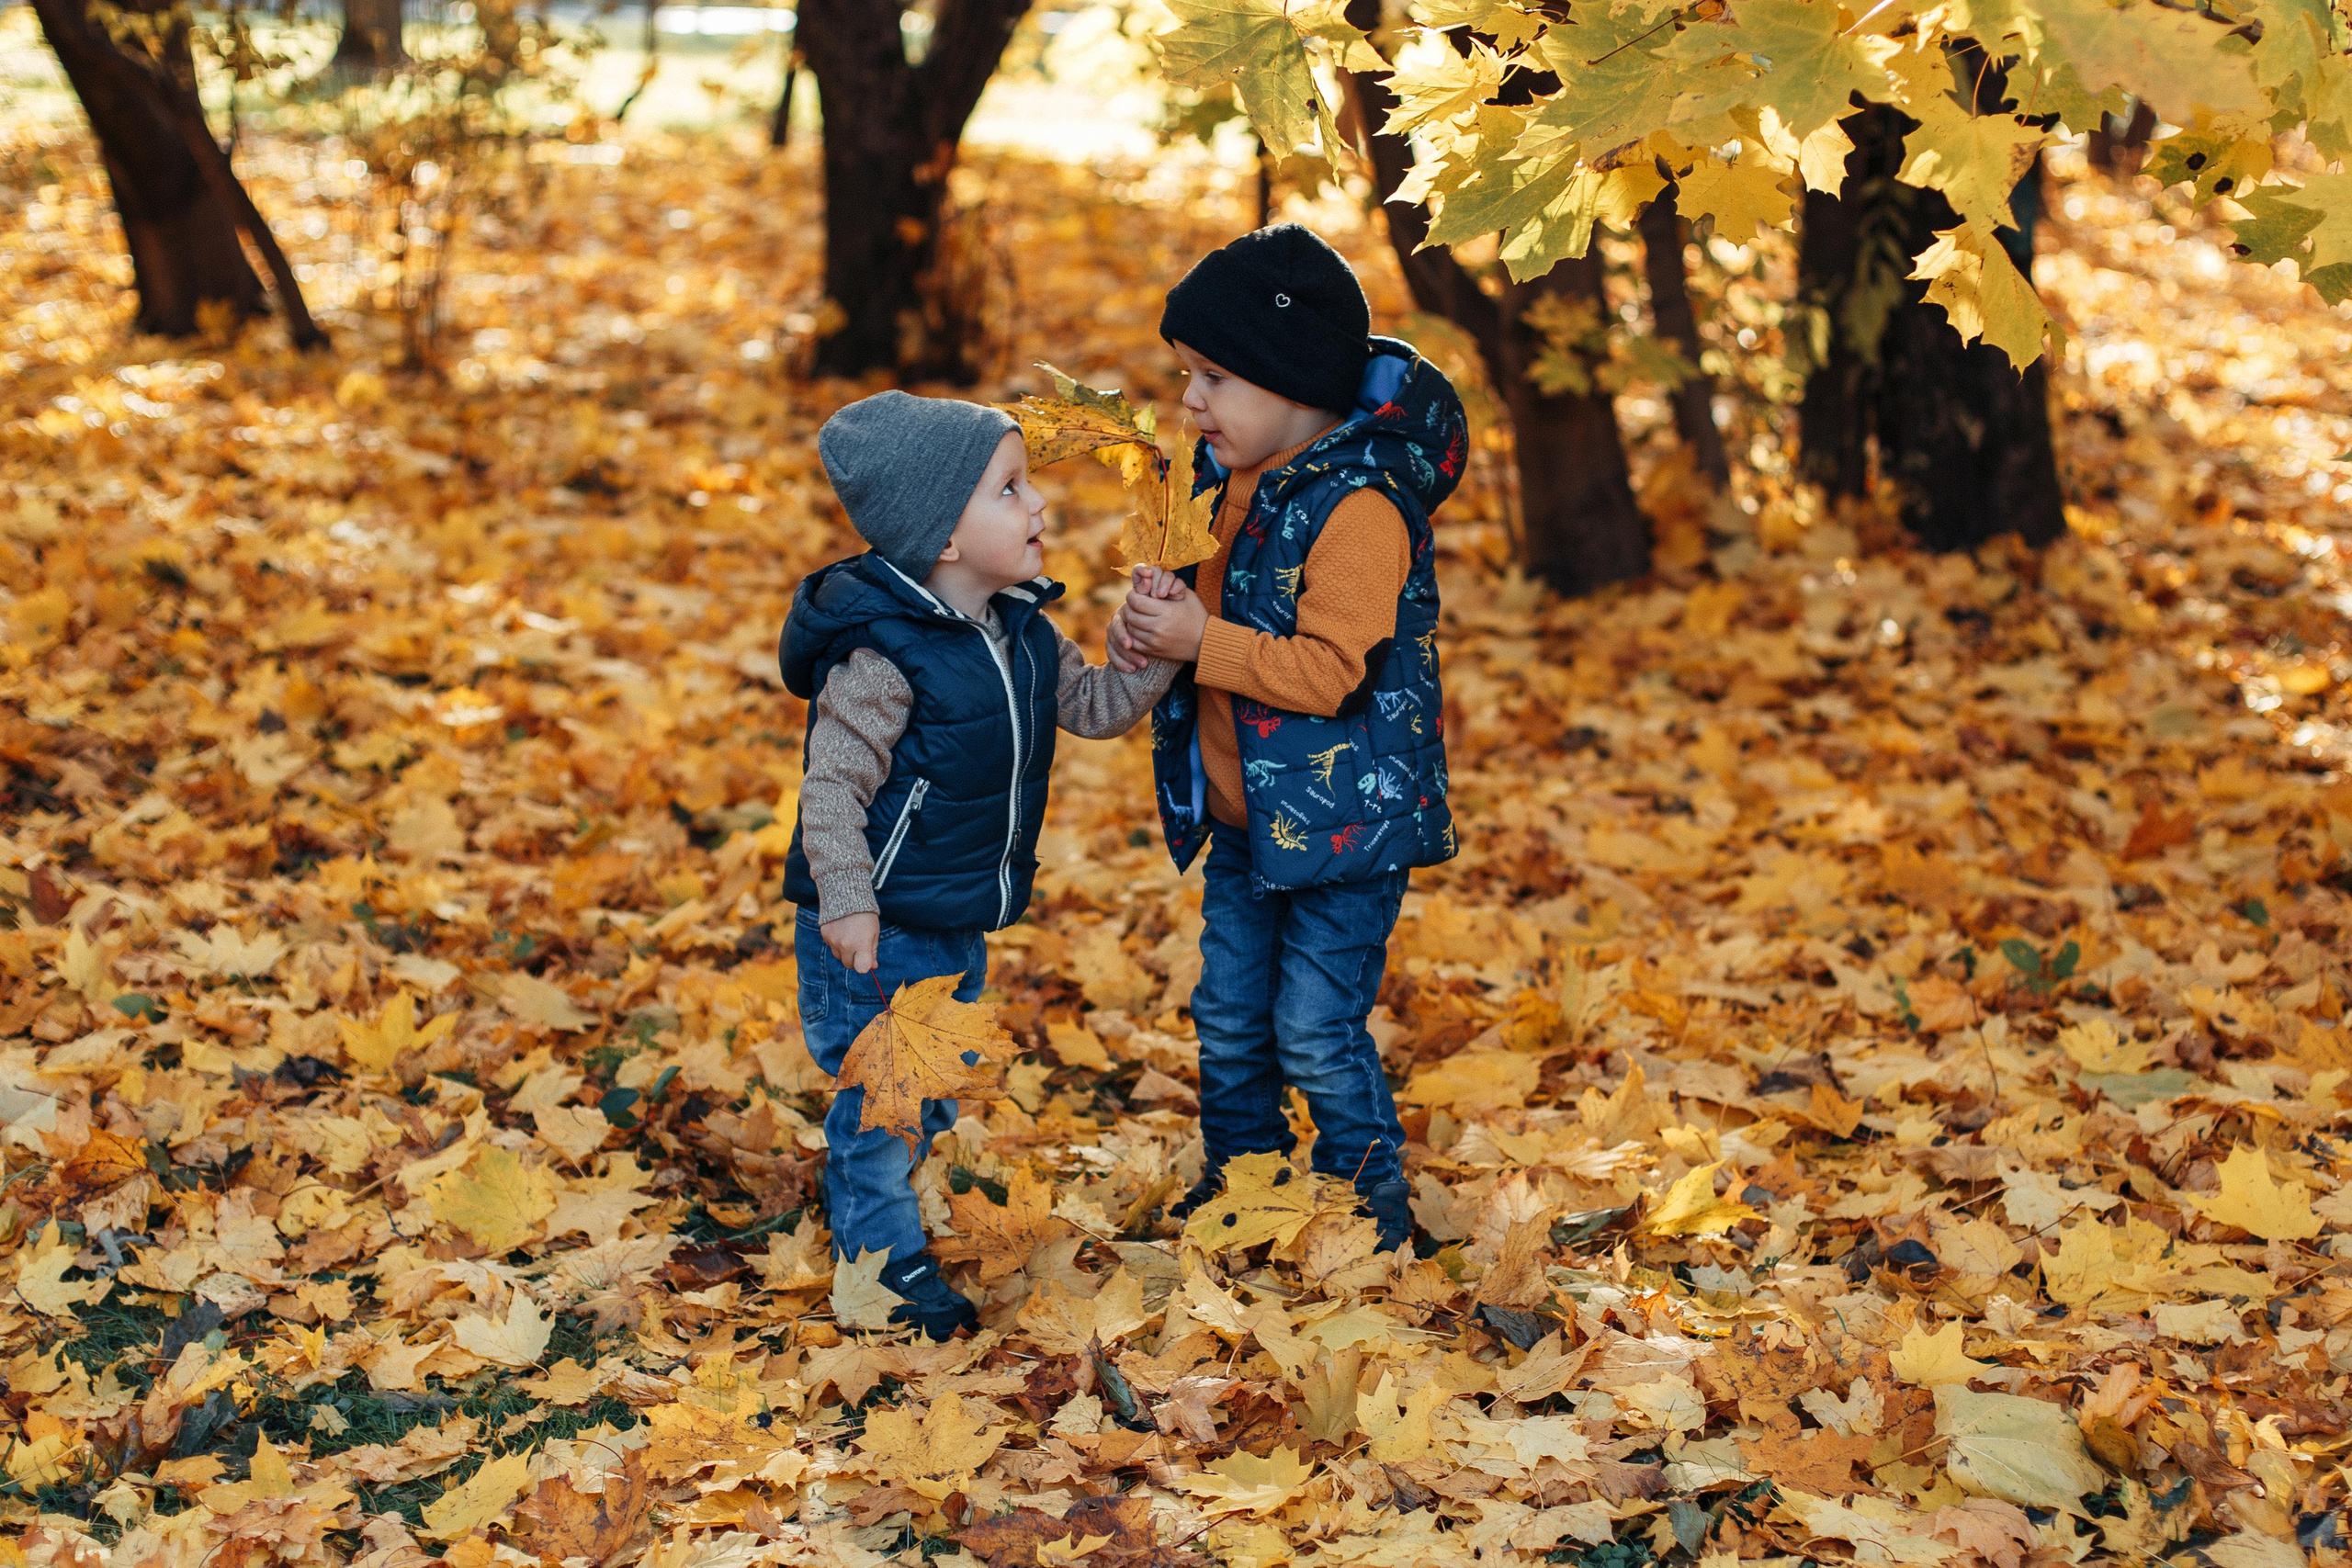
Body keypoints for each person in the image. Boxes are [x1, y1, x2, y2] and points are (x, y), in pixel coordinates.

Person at [780, 390, 1175, 1338]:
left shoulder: (1023, 631)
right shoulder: (885, 658)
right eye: (1010, 489)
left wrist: (1155, 651)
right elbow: (830, 789)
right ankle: (881, 1270)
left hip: (952, 916)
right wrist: (846, 899)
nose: (1039, 504)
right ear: (943, 539)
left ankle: (896, 1211)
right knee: (885, 1103)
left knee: (931, 1089)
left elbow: (1094, 706)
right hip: (873, 924)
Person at [1109, 223, 1466, 1252]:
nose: (1190, 403)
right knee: (1227, 1022)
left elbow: (1327, 672)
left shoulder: (1360, 510)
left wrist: (1201, 638)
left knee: (1312, 1029)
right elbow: (1195, 635)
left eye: (1213, 378)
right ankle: (1244, 1187)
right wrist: (1147, 624)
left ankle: (1369, 1216)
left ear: (1292, 379)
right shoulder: (1224, 489)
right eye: (1187, 377)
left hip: (1344, 835)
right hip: (1245, 821)